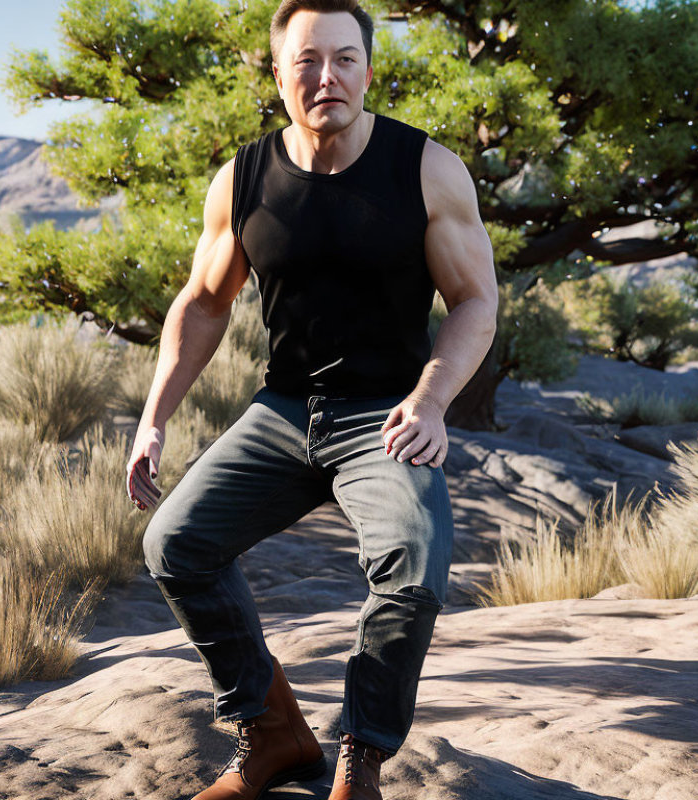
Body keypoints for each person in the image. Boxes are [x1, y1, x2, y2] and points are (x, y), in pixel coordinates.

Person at [125, 0, 496, 797]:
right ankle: (272, 733)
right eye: (307, 61)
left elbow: (475, 300)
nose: (327, 77)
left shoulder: (424, 169)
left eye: (345, 59)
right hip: (285, 411)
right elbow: (203, 302)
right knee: (175, 546)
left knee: (414, 568)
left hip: (388, 414)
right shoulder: (245, 178)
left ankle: (360, 756)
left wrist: (431, 401)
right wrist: (154, 420)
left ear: (368, 67)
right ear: (278, 72)